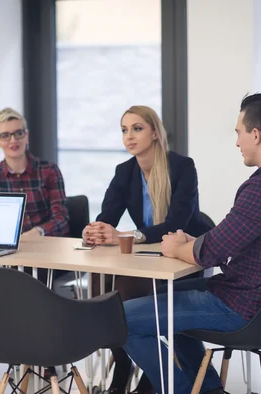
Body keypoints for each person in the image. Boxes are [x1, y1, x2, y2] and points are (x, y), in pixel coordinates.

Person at [122, 94, 261, 394]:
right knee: (170, 296)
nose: (237, 142)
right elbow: (240, 242)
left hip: (240, 307)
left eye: (239, 133)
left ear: (256, 135)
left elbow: (211, 253)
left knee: (121, 320)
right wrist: (195, 242)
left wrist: (175, 247)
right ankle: (210, 390)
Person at [83, 105, 212, 394]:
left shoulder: (182, 167)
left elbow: (176, 223)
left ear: (154, 133)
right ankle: (123, 360)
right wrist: (95, 230)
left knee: (127, 290)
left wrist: (130, 236)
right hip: (151, 254)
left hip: (185, 254)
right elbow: (108, 216)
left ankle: (151, 374)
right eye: (124, 130)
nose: (129, 136)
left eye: (137, 128)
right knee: (98, 282)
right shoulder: (124, 171)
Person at [0, 107, 69, 284]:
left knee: (24, 284)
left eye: (18, 133)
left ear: (26, 136)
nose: (13, 140)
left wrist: (38, 232)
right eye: (5, 135)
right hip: (9, 258)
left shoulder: (49, 171)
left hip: (46, 255)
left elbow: (62, 219)